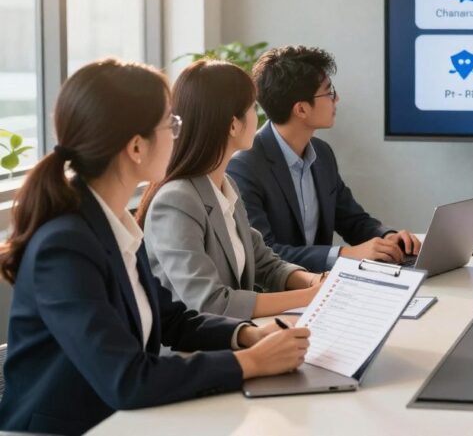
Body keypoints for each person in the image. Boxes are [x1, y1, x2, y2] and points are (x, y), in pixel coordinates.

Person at [0, 59, 310, 435]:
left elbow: (174, 319)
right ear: (135, 147)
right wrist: (252, 363)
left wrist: (246, 335)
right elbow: (127, 378)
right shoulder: (65, 246)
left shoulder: (113, 225)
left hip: (124, 421)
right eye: (170, 124)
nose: (177, 134)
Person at [138, 60, 325, 319]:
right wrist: (310, 297)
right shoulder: (176, 200)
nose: (257, 117)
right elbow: (211, 303)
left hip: (238, 338)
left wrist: (315, 282)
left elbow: (264, 264)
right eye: (252, 108)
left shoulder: (224, 186)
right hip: (196, 353)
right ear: (233, 124)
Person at [228, 45, 419, 272]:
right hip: (277, 297)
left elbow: (353, 220)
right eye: (329, 92)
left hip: (322, 288)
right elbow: (265, 253)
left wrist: (389, 238)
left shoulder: (322, 153)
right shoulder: (244, 166)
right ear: (301, 110)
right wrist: (344, 254)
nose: (337, 98)